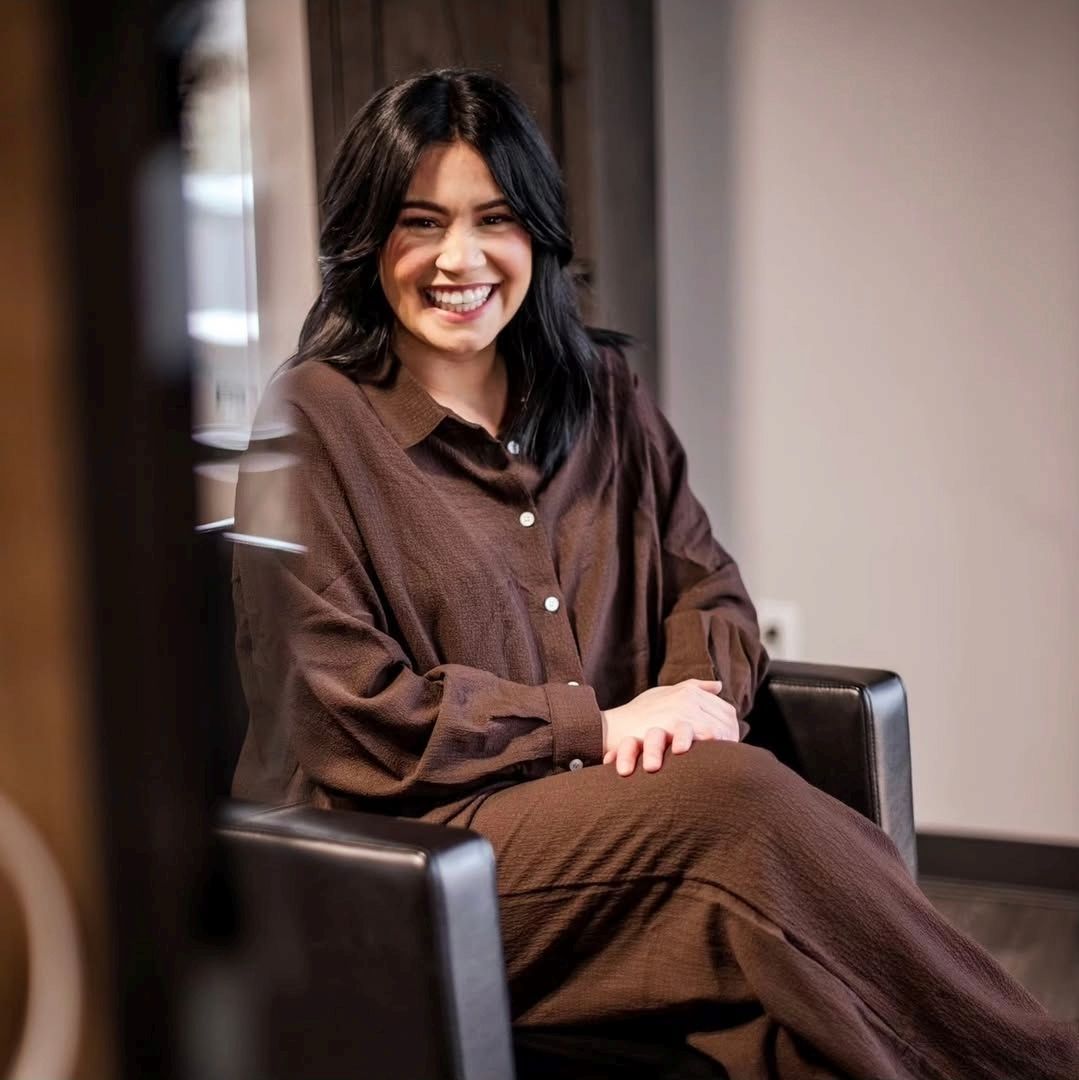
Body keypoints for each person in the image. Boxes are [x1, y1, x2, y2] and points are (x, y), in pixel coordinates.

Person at [230, 68, 1079, 1079]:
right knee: (733, 808)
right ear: (370, 239)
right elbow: (345, 712)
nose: (458, 258)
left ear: (536, 232)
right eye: (421, 223)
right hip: (414, 864)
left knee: (790, 1028)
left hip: (616, 831)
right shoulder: (307, 421)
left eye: (492, 218)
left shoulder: (599, 389)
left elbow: (706, 583)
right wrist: (591, 726)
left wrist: (691, 699)